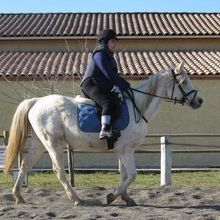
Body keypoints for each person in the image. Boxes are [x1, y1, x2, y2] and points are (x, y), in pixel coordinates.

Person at [80, 29, 130, 140]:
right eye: (112, 41)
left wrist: (120, 86)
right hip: (90, 83)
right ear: (105, 42)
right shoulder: (99, 55)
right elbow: (109, 73)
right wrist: (124, 84)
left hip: (101, 84)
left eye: (115, 41)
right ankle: (104, 130)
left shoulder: (109, 56)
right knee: (107, 102)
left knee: (116, 101)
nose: (115, 44)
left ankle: (112, 128)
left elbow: (111, 77)